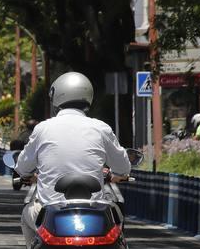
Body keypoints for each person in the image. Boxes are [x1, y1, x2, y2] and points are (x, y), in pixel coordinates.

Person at [14, 72, 131, 237]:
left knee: (27, 214)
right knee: (117, 217)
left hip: (49, 212)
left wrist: (28, 175)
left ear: (57, 96)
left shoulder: (43, 129)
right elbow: (123, 167)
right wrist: (116, 174)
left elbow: (22, 167)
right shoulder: (101, 128)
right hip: (93, 211)